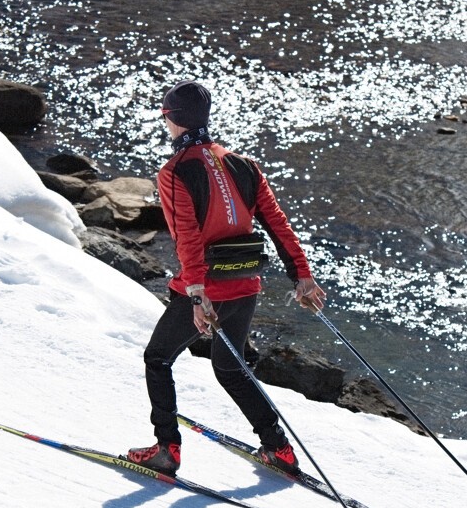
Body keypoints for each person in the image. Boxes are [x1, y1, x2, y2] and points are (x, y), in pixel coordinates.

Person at [127, 81, 326, 477]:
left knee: (158, 357)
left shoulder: (175, 171)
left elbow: (188, 237)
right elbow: (276, 224)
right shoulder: (244, 164)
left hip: (204, 289)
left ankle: (166, 449)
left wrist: (198, 295)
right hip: (245, 282)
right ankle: (279, 450)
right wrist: (301, 276)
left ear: (171, 119)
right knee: (230, 368)